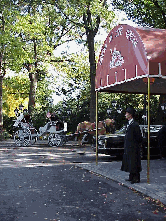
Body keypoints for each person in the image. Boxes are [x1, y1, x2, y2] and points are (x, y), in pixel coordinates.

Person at [121, 106, 142, 184]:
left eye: (127, 113)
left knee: (134, 162)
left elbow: (139, 137)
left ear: (130, 115)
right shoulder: (129, 124)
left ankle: (136, 178)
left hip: (133, 147)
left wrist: (136, 146)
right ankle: (131, 177)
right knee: (130, 162)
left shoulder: (135, 125)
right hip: (129, 147)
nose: (125, 114)